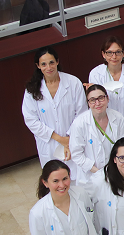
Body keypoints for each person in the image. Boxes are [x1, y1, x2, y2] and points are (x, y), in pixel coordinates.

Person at [22, 47, 85, 177]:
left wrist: (69, 138)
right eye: (43, 64)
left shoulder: (73, 83)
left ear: (57, 61)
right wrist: (59, 139)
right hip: (48, 143)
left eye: (51, 62)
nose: (48, 67)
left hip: (73, 139)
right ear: (38, 66)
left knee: (77, 178)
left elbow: (81, 114)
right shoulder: (31, 89)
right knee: (54, 179)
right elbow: (31, 120)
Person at [69, 85, 124, 185]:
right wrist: (99, 173)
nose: (97, 103)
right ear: (88, 103)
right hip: (89, 177)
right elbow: (77, 154)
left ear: (107, 98)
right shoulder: (79, 123)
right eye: (92, 100)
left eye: (101, 98)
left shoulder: (118, 118)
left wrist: (117, 169)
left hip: (116, 173)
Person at [88, 36, 124, 137]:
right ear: (103, 54)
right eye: (109, 52)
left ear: (123, 53)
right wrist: (94, 92)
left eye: (118, 52)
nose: (114, 56)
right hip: (107, 123)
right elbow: (98, 106)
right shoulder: (96, 74)